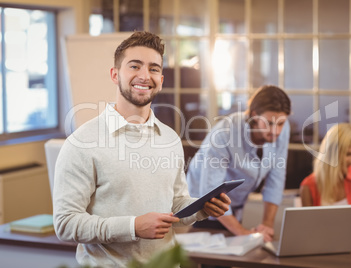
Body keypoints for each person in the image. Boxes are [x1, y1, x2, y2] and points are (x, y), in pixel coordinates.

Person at [52, 31, 231, 267]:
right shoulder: (82, 142)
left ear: (161, 79)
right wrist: (133, 227)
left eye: (154, 68)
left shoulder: (169, 138)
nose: (145, 76)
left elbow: (175, 205)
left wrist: (201, 209)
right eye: (134, 66)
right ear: (115, 75)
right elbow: (65, 224)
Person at [186, 85, 291, 242]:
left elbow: (276, 179)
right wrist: (243, 233)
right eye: (269, 123)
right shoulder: (223, 135)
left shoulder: (283, 128)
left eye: (281, 123)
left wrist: (267, 225)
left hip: (233, 206)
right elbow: (211, 194)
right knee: (214, 261)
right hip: (203, 206)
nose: (276, 131)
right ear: (255, 115)